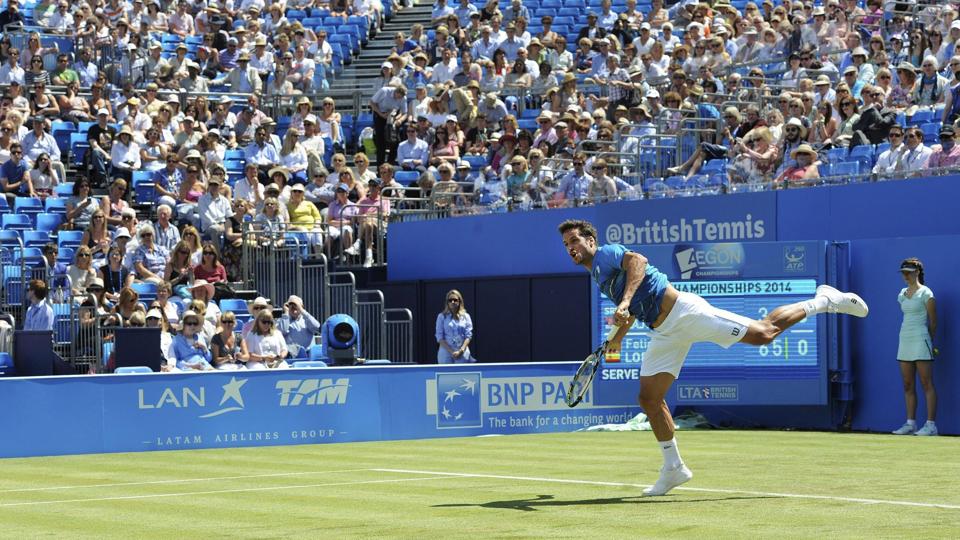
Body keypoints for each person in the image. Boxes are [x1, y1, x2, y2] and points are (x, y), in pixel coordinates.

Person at [558, 219, 869, 496]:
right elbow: (630, 312)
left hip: (686, 313)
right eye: (566, 244)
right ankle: (673, 468)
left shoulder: (607, 254)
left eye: (574, 240)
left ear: (590, 241)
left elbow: (637, 261)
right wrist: (618, 339)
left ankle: (824, 300)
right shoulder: (598, 277)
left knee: (764, 333)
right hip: (664, 332)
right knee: (649, 400)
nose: (570, 247)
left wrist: (625, 300)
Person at [892, 258, 938, 436]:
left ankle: (931, 425)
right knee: (907, 384)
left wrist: (929, 341)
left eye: (909, 272)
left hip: (921, 339)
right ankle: (911, 423)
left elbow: (933, 322)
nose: (905, 276)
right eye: (903, 272)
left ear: (917, 272)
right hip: (905, 339)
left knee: (926, 383)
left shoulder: (927, 293)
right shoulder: (902, 293)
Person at [435, 289, 474, 364]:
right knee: (446, 374)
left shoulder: (466, 316)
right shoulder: (441, 316)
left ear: (460, 301)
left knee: (463, 374)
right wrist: (452, 352)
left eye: (455, 300)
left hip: (462, 352)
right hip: (446, 352)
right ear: (447, 302)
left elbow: (468, 336)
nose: (453, 302)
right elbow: (439, 337)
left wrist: (461, 350)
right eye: (450, 300)